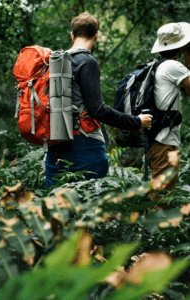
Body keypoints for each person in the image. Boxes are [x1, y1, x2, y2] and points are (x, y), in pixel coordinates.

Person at [45, 13, 152, 189]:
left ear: (72, 35)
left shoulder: (55, 61)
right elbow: (99, 110)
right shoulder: (87, 61)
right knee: (89, 207)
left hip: (55, 145)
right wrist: (137, 122)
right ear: (96, 35)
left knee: (57, 208)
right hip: (85, 147)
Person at [148, 22, 190, 200]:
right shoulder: (174, 67)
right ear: (180, 47)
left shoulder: (158, 65)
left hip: (158, 141)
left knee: (160, 196)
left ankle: (152, 227)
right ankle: (152, 228)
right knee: (161, 199)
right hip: (164, 142)